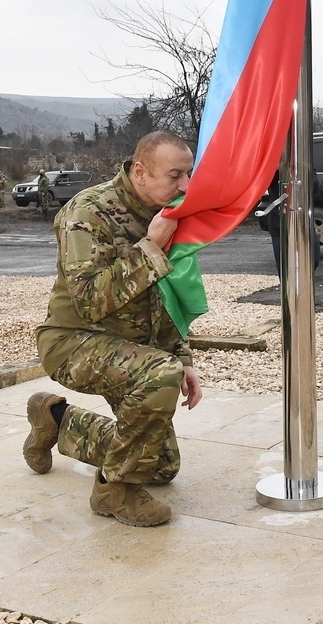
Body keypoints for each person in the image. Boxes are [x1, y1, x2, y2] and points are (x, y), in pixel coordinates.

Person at [23, 130, 202, 528]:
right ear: (140, 171)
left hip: (128, 348)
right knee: (159, 377)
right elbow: (89, 301)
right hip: (73, 342)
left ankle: (57, 419)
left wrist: (182, 357)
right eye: (175, 175)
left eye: (188, 174)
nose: (185, 186)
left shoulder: (166, 214)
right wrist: (150, 249)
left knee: (161, 467)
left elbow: (167, 296)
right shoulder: (87, 213)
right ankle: (115, 491)